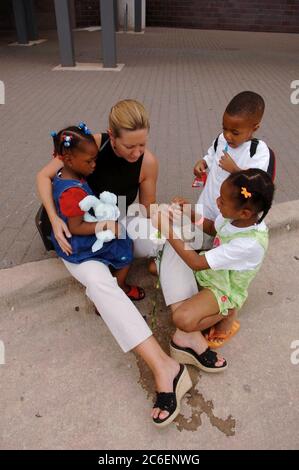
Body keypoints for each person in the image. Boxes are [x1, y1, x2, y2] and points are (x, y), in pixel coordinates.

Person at [37, 108, 193, 427]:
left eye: (143, 145)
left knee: (174, 235)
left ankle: (188, 329)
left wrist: (168, 219)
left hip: (118, 223)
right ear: (111, 135)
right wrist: (54, 220)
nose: (137, 153)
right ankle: (165, 368)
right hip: (78, 236)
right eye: (129, 146)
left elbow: (147, 208)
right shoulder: (86, 143)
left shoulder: (148, 161)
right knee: (100, 285)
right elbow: (43, 176)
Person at [153, 169, 274, 362]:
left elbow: (196, 262)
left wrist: (167, 230)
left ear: (245, 212)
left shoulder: (249, 243)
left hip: (223, 288)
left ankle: (227, 312)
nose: (217, 201)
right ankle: (210, 310)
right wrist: (191, 214)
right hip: (212, 271)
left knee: (182, 320)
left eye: (222, 201)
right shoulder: (235, 218)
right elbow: (212, 227)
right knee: (165, 260)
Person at [50, 123, 134, 294]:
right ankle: (120, 285)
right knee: (125, 244)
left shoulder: (64, 176)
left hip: (77, 233)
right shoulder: (72, 192)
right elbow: (75, 226)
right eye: (89, 161)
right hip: (78, 243)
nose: (94, 165)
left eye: (95, 159)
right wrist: (107, 225)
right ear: (68, 159)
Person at [193, 91, 274, 231]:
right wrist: (203, 163)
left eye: (235, 132)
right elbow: (212, 154)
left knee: (220, 242)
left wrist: (234, 170)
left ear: (254, 128)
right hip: (207, 203)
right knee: (198, 236)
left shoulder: (258, 151)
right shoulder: (221, 139)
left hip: (229, 213)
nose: (228, 135)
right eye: (224, 128)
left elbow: (257, 186)